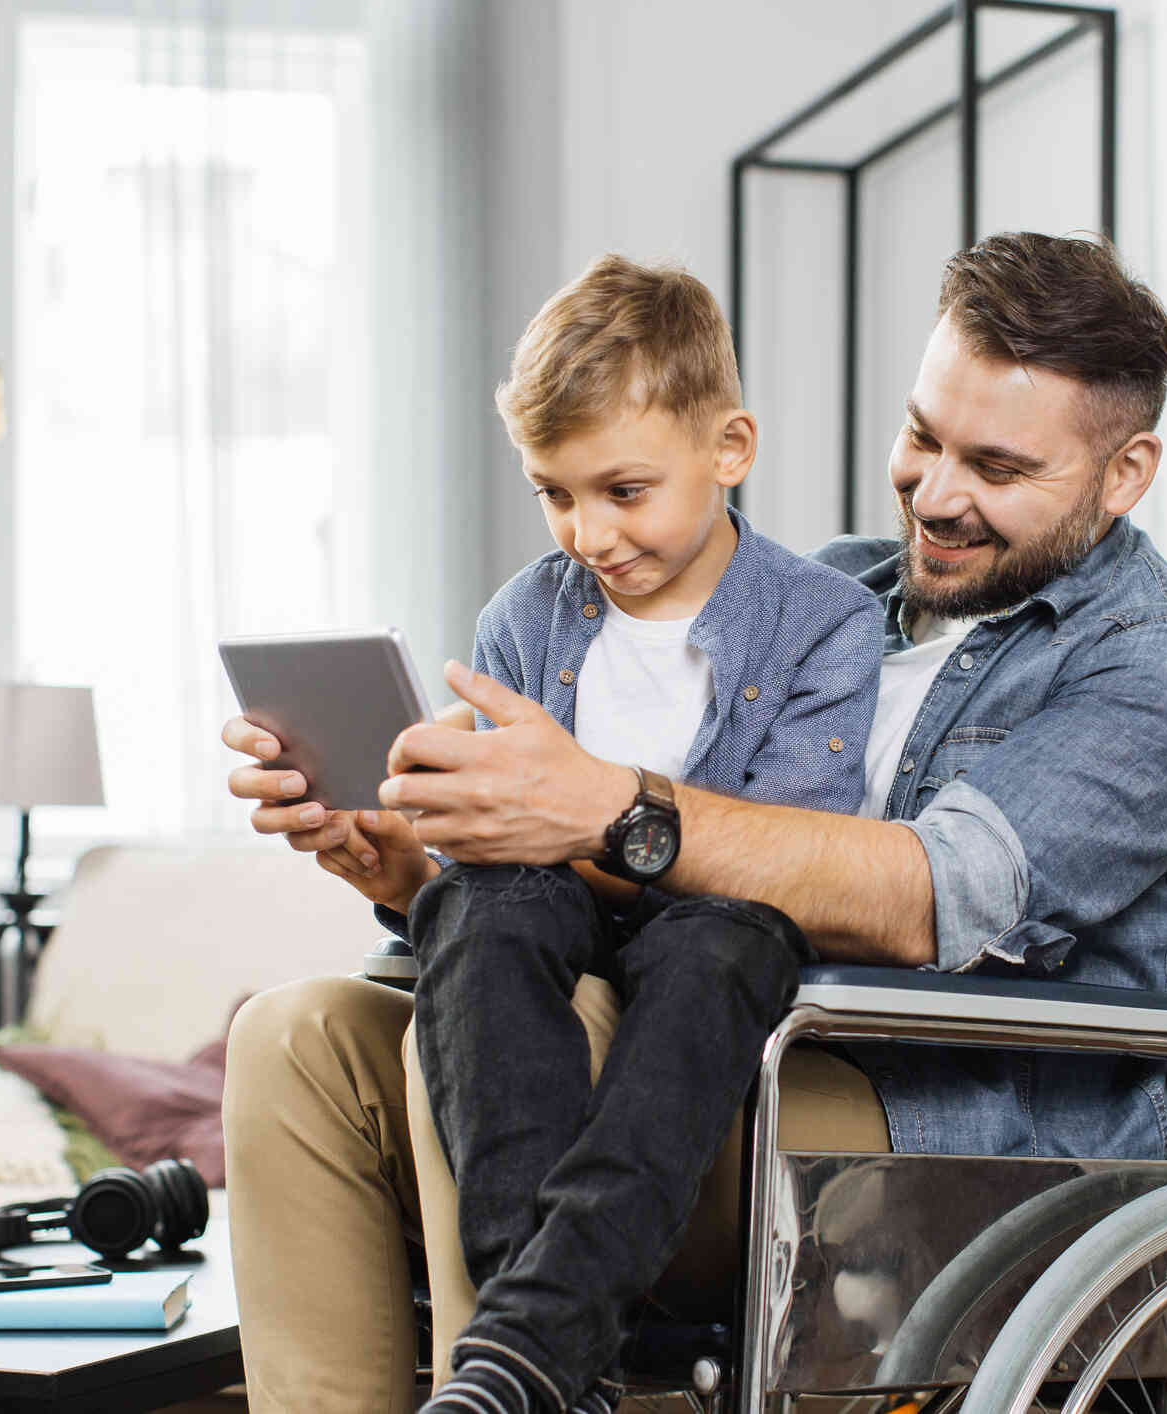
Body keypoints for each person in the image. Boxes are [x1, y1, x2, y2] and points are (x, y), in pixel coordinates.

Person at [219, 231, 1167, 1414]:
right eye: (922, 436)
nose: (934, 493)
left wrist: (606, 808)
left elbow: (930, 892)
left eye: (997, 465)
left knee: (562, 1022)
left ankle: (521, 1372)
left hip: (923, 1120)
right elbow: (588, 891)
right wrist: (411, 861)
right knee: (295, 1037)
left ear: (1125, 472)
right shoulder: (830, 590)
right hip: (714, 1044)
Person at [334, 252, 882, 1414]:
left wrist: (582, 815)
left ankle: (525, 1346)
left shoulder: (825, 620)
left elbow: (794, 852)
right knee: (481, 906)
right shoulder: (525, 614)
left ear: (729, 450)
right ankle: (558, 1363)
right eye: (554, 492)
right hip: (557, 912)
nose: (587, 531)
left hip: (721, 927)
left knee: (719, 940)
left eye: (622, 491)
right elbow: (488, 848)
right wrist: (409, 856)